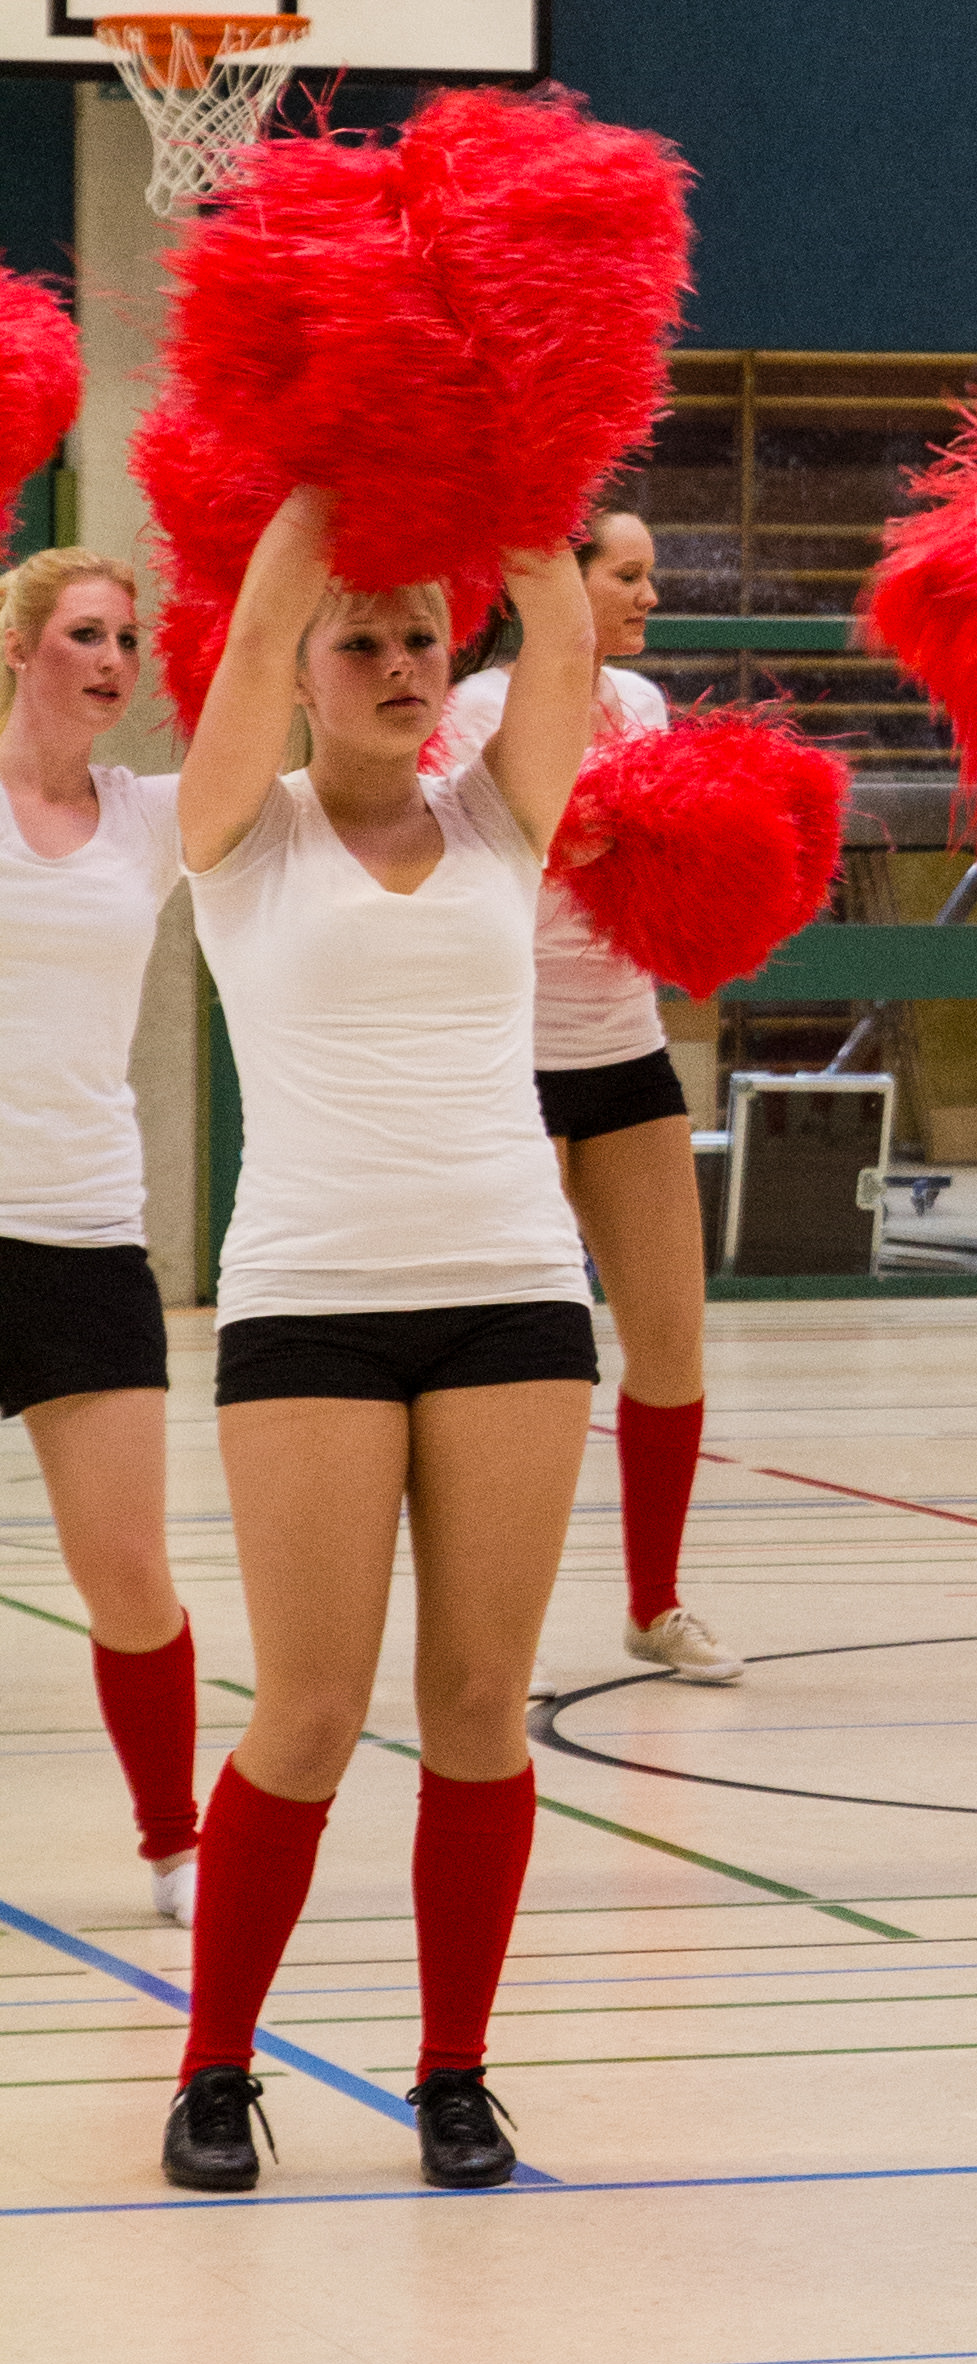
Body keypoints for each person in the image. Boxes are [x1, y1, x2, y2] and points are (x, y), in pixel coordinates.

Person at [159, 487, 601, 2195]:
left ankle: (455, 2072)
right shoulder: (238, 830)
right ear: (303, 670)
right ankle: (215, 2066)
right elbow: (263, 616)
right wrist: (330, 463)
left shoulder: (500, 814)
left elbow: (558, 630)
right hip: (310, 1301)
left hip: (511, 1290)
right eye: (366, 641)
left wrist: (506, 463)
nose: (404, 662)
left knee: (481, 1699)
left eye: (423, 635)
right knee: (312, 1708)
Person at [435, 506, 741, 1688]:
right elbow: (467, 857)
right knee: (521, 1353)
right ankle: (482, 1620)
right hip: (505, 1058)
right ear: (557, 583)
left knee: (671, 1336)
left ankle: (656, 1603)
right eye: (629, 573)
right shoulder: (477, 706)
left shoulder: (647, 707)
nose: (649, 594)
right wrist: (572, 835)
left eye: (651, 574)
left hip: (624, 1046)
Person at [0, 550, 198, 1921]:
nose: (115, 660)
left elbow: (300, 768)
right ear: (21, 647)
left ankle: (177, 1843)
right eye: (85, 633)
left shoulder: (150, 819)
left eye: (130, 637)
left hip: (84, 1234)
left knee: (128, 1572)